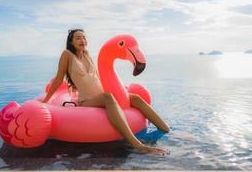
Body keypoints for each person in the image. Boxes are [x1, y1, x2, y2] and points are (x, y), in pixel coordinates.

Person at [42, 29, 170, 155]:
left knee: (134, 98)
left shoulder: (86, 55)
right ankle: (136, 144)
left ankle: (166, 129)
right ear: (71, 42)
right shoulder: (67, 55)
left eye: (84, 37)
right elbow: (59, 79)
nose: (82, 40)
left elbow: (97, 77)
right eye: (78, 38)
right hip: (87, 100)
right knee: (108, 97)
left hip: (101, 94)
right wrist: (46, 100)